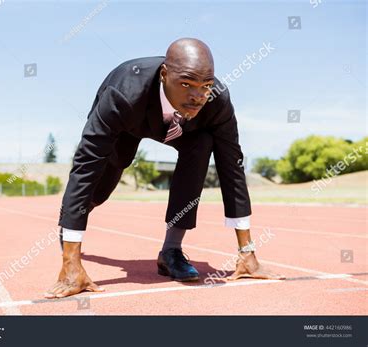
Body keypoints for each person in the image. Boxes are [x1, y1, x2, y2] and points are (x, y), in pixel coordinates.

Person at [45, 38, 284, 299]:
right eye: (186, 84)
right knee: (104, 181)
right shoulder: (122, 93)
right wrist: (71, 262)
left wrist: (247, 251)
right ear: (164, 75)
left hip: (184, 130)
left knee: (202, 143)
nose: (197, 96)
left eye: (205, 86)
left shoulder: (215, 100)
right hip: (130, 121)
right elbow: (86, 165)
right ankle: (71, 233)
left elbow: (232, 168)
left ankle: (171, 251)